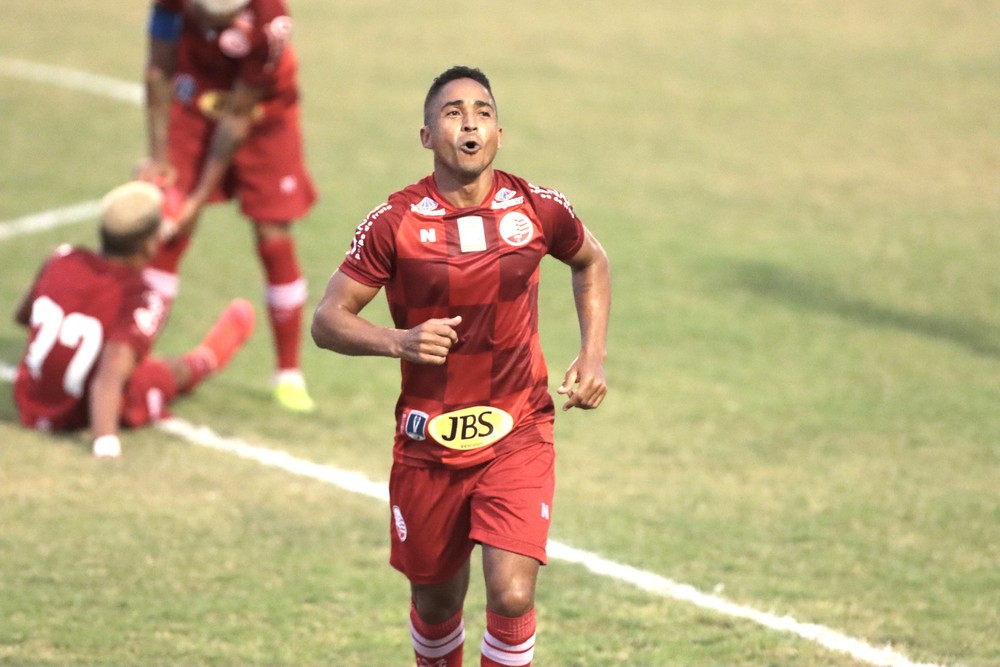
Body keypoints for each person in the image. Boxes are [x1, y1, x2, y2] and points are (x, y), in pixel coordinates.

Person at [311, 66, 612, 667]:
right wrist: (398, 341)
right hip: (429, 439)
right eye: (451, 112)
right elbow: (327, 320)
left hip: (518, 428)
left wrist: (592, 352)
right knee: (437, 604)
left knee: (511, 591)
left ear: (499, 132)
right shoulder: (394, 223)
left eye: (481, 112)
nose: (468, 122)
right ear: (426, 136)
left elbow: (591, 261)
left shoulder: (538, 209)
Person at [137, 0, 317, 413]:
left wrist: (197, 198)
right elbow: (158, 68)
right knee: (168, 230)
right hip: (195, 102)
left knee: (273, 236)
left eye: (216, 18)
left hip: (265, 114)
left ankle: (288, 373)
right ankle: (135, 350)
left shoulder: (272, 23)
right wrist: (158, 159)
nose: (205, 23)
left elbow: (237, 116)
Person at [13, 181, 255, 459]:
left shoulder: (61, 258)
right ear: (149, 244)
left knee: (129, 357)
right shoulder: (141, 295)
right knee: (163, 372)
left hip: (30, 401)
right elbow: (113, 367)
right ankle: (204, 360)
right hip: (81, 410)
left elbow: (23, 317)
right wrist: (105, 441)